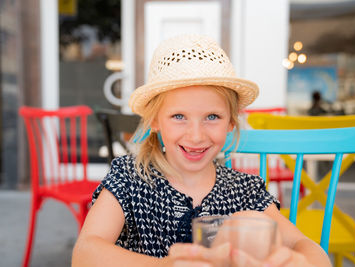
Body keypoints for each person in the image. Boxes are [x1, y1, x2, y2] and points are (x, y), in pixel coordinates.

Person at [72, 34, 331, 267]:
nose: (196, 136)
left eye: (212, 117)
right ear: (155, 120)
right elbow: (85, 254)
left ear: (231, 121)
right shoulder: (129, 178)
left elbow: (308, 249)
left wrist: (299, 261)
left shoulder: (244, 192)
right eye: (178, 116)